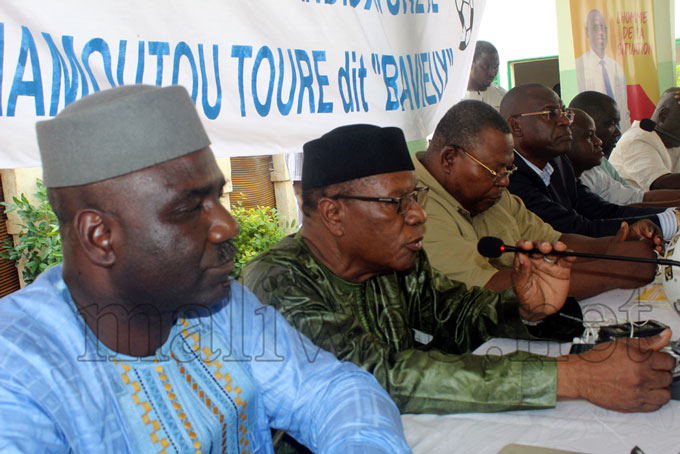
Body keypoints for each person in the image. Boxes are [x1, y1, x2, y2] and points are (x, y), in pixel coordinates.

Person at [0, 85, 410, 454]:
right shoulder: (17, 376)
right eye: (190, 208)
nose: (227, 225)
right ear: (100, 235)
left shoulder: (221, 306)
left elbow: (331, 390)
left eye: (217, 196)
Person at [241, 123, 675, 415]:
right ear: (333, 214)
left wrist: (523, 306)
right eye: (398, 203)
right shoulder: (276, 281)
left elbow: (456, 315)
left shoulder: (397, 262)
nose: (417, 217)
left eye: (417, 198)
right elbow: (377, 377)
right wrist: (574, 377)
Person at [416, 100, 658, 296]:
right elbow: (484, 291)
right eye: (495, 171)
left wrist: (615, 245)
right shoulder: (415, 207)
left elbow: (556, 241)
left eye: (507, 170)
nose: (505, 181)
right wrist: (614, 269)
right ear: (449, 159)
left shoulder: (491, 195)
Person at [500, 83, 676, 238]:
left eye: (564, 112)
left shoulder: (558, 162)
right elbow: (575, 229)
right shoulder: (508, 178)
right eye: (550, 113)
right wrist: (669, 222)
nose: (564, 121)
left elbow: (602, 211)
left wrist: (672, 215)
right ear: (516, 126)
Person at [565, 107, 680, 207]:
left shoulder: (593, 172)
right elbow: (660, 184)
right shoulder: (637, 138)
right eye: (590, 136)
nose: (598, 141)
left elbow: (638, 198)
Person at [609, 87, 680, 191]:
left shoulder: (674, 140)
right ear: (663, 116)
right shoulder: (637, 139)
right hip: (634, 206)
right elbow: (660, 184)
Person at [575, 9, 631, 130]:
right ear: (587, 32)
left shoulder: (616, 67)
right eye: (595, 28)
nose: (601, 32)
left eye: (604, 28)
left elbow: (624, 111)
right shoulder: (579, 66)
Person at [464, 40, 506, 110]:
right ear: (470, 64)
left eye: (495, 67)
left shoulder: (503, 98)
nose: (492, 73)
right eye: (486, 67)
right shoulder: (451, 97)